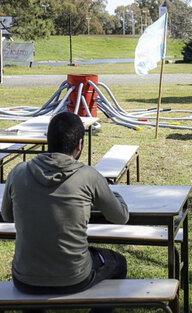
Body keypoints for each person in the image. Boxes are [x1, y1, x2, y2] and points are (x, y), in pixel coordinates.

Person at [1, 112, 129, 313]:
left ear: (48, 139)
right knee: (118, 263)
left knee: (34, 284)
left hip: (24, 277)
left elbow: (7, 216)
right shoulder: (89, 176)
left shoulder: (18, 172)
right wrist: (117, 196)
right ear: (79, 144)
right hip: (74, 277)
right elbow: (120, 217)